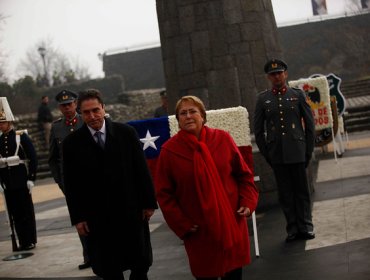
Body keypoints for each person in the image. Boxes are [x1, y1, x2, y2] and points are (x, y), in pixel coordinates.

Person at [155, 95, 259, 280]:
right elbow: (164, 195)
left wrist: (248, 201)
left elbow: (244, 175)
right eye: (183, 113)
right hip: (199, 231)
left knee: (234, 274)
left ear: (202, 115)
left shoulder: (223, 139)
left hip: (231, 223)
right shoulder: (169, 151)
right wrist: (182, 224)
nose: (188, 116)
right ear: (178, 120)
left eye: (193, 111)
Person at [62, 89, 157, 280]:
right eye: (87, 112)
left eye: (96, 110)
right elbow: (72, 184)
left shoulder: (127, 133)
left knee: (140, 264)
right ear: (80, 113)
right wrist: (78, 217)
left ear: (104, 108)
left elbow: (141, 171)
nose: (92, 116)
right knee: (108, 268)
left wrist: (148, 202)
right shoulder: (71, 144)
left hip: (131, 211)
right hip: (97, 218)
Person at [253, 58, 316, 243]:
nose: (277, 76)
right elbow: (258, 131)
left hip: (297, 151)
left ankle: (306, 226)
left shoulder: (297, 95)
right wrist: (268, 154)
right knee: (285, 193)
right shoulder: (263, 99)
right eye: (273, 74)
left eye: (279, 73)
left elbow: (310, 127)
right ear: (268, 77)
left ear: (285, 74)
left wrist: (308, 151)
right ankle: (292, 228)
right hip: (277, 154)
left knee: (302, 191)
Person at [48, 89, 90, 270]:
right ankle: (88, 256)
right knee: (80, 220)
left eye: (70, 104)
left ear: (75, 104)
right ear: (59, 108)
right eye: (63, 106)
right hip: (70, 184)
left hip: (91, 178)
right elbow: (53, 158)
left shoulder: (85, 121)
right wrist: (60, 182)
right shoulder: (57, 127)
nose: (67, 108)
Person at [0, 97, 38, 251]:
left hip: (21, 179)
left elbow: (33, 157)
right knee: (14, 213)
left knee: (25, 211)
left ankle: (30, 239)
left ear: (9, 122)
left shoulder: (20, 136)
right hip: (7, 182)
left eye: (3, 122)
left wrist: (31, 178)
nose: (1, 125)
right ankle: (22, 240)